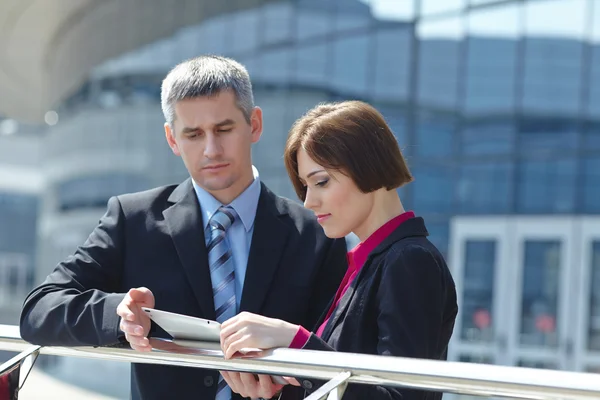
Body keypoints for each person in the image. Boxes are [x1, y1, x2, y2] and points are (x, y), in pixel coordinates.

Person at [19, 56, 348, 400]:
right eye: (193, 134)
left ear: (254, 124)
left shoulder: (315, 234)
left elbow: (335, 354)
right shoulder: (132, 220)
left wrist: (284, 379)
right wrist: (118, 315)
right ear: (172, 139)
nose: (211, 149)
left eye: (223, 129)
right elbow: (39, 310)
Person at [218, 101, 458, 400]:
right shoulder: (367, 263)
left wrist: (299, 344)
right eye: (305, 186)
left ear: (368, 165)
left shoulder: (409, 261)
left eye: (321, 182)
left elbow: (399, 397)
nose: (309, 202)